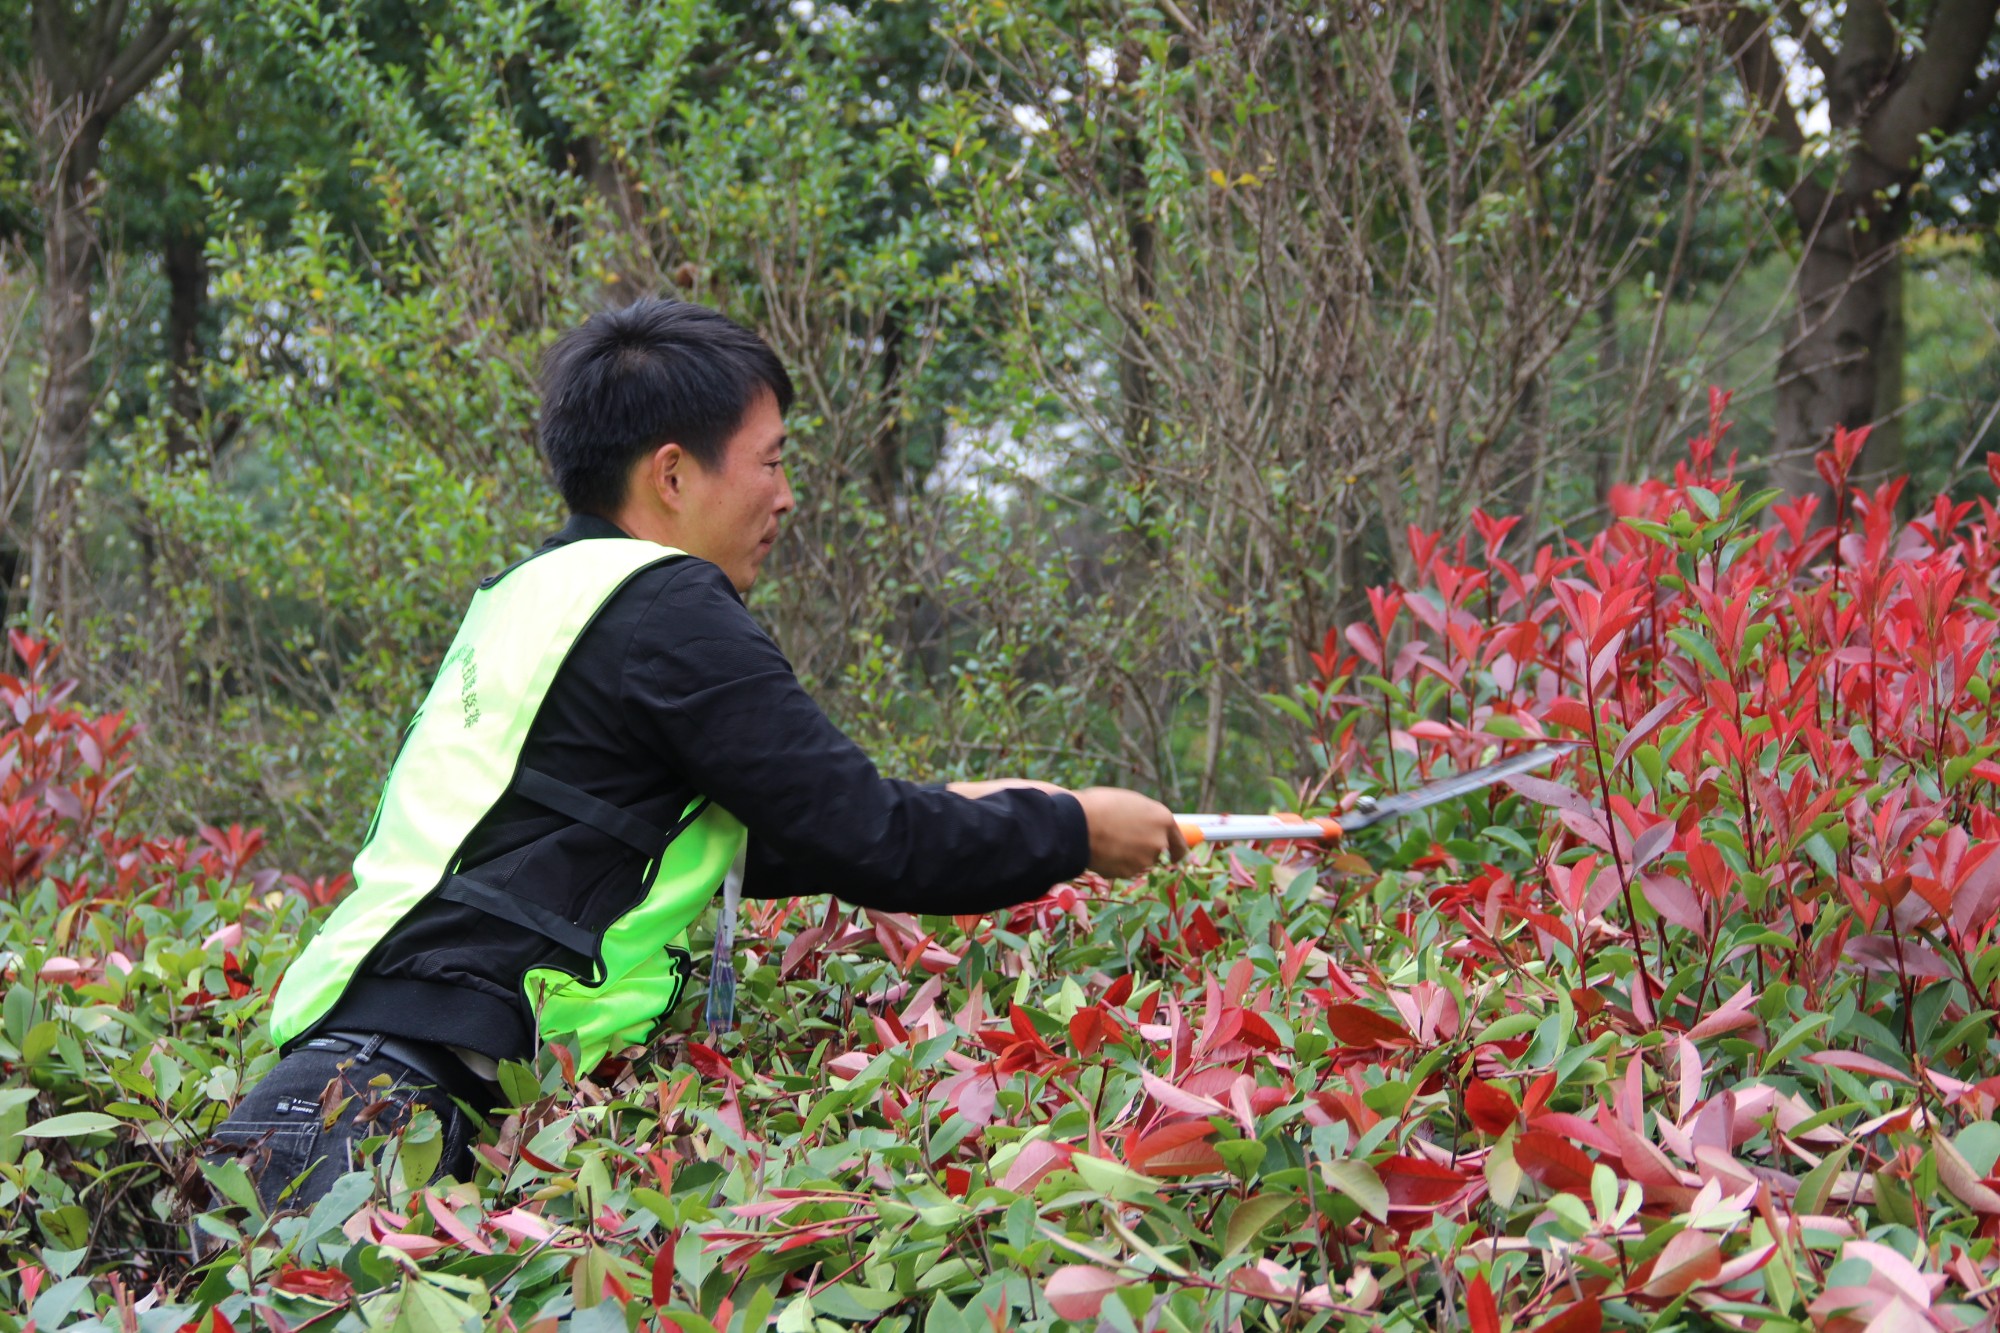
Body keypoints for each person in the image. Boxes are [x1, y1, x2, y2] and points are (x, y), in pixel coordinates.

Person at [201, 298, 1187, 1212]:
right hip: (402, 1104)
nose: (787, 496)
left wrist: (980, 803)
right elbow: (867, 838)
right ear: (671, 475)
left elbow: (673, 835)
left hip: (337, 1080)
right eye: (769, 462)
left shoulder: (531, 597)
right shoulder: (667, 604)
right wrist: (1072, 829)